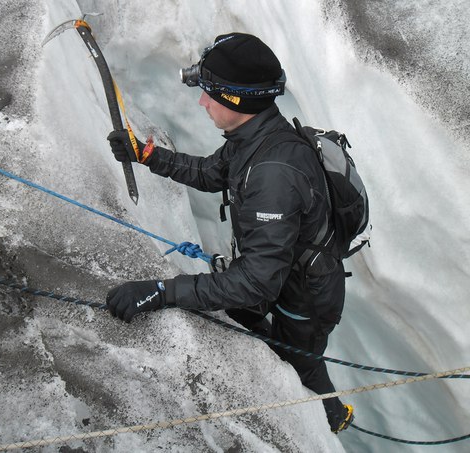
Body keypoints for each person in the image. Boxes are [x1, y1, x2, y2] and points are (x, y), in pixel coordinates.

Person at [105, 32, 354, 434]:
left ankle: (333, 415)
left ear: (238, 100)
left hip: (304, 292)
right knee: (243, 315)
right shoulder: (254, 138)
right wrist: (146, 154)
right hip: (276, 268)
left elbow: (255, 282)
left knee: (299, 360)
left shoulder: (273, 173)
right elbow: (209, 173)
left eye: (211, 94)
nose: (202, 102)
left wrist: (163, 292)